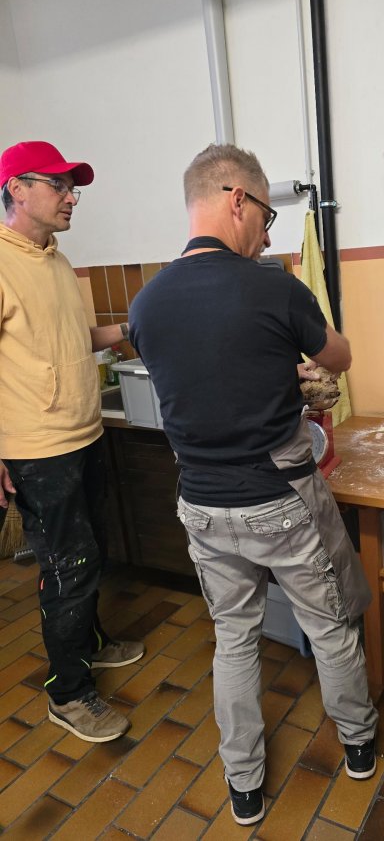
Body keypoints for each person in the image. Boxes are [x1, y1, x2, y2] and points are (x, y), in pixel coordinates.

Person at [128, 143, 378, 826]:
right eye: (266, 217)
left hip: (202, 506)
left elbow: (208, 379)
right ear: (236, 198)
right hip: (280, 501)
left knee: (233, 638)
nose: (267, 236)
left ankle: (243, 785)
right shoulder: (271, 286)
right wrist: (307, 363)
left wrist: (276, 373)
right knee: (329, 626)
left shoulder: (146, 303)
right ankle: (358, 745)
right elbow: (340, 356)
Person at [0, 140, 144, 743]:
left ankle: (90, 643)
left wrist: (134, 326)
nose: (71, 197)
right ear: (17, 189)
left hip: (82, 433)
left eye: (72, 187)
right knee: (68, 568)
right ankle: (68, 692)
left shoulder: (57, 261)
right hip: (37, 447)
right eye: (58, 185)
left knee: (91, 552)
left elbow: (73, 338)